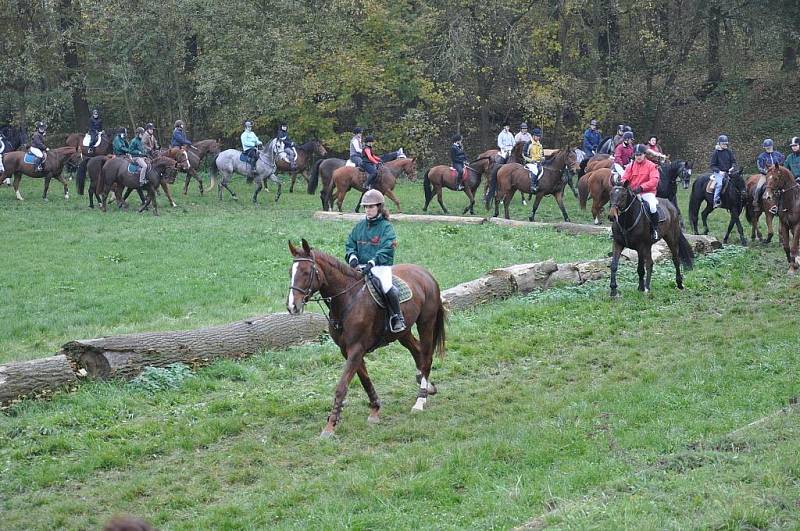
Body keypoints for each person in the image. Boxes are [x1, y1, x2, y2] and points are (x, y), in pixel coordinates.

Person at [345, 189, 405, 333]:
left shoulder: (386, 227)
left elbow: (387, 248)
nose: (368, 210)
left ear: (379, 207)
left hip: (380, 266)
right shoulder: (359, 226)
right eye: (366, 207)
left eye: (371, 207)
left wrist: (372, 262)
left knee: (386, 287)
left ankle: (397, 317)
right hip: (360, 267)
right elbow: (350, 243)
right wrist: (352, 258)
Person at [622, 144, 661, 241]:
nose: (638, 157)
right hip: (632, 192)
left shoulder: (651, 166)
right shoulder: (630, 166)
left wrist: (642, 187)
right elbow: (624, 178)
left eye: (640, 154)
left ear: (644, 154)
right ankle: (616, 229)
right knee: (620, 205)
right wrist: (623, 183)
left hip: (647, 192)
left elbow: (654, 181)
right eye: (636, 155)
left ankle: (654, 229)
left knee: (652, 207)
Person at [709, 134, 737, 208]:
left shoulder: (729, 151)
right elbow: (712, 165)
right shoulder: (716, 153)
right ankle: (716, 200)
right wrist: (719, 171)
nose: (725, 144)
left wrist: (732, 167)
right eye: (723, 143)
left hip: (728, 172)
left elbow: (733, 161)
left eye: (726, 143)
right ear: (719, 143)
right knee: (720, 185)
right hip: (719, 173)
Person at [523, 127, 544, 192]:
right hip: (530, 163)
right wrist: (531, 160)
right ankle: (532, 186)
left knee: (542, 169)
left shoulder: (540, 145)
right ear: (533, 136)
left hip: (538, 162)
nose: (538, 138)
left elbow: (542, 154)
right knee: (535, 170)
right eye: (537, 136)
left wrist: (543, 158)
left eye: (539, 136)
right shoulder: (528, 144)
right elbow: (524, 154)